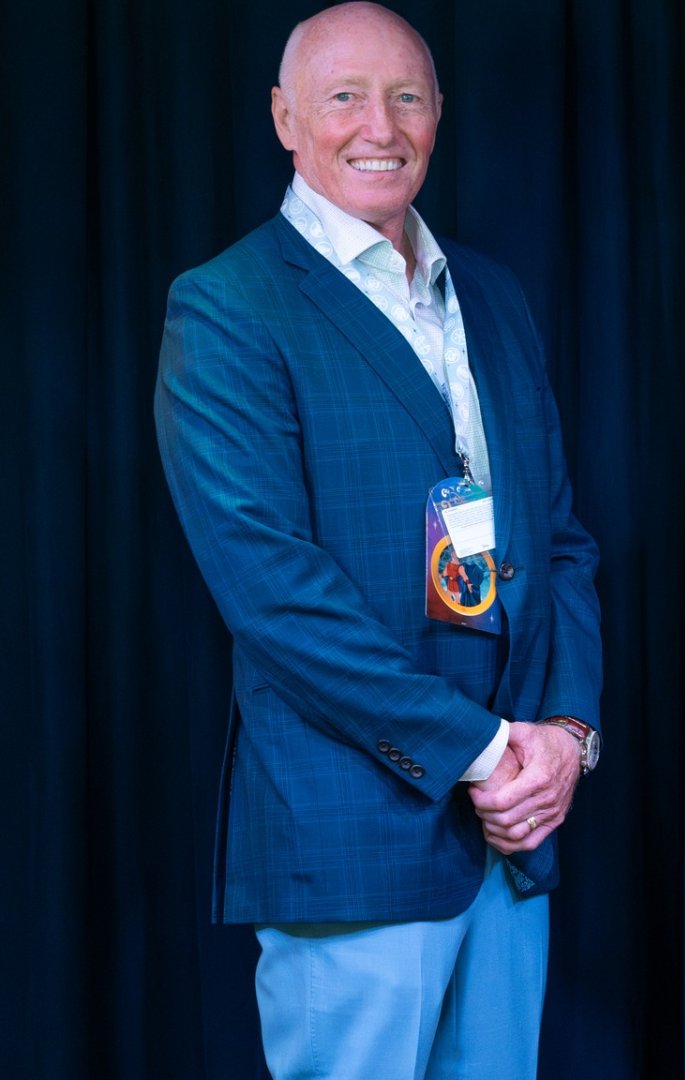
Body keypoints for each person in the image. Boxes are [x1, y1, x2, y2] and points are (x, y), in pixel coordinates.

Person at [152, 5, 603, 1076]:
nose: (380, 127)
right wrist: (490, 752)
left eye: (406, 97)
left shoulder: (492, 294)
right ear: (284, 119)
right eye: (344, 98)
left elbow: (559, 543)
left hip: (513, 834)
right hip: (353, 832)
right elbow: (276, 597)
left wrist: (566, 733)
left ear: (439, 113)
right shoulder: (228, 306)